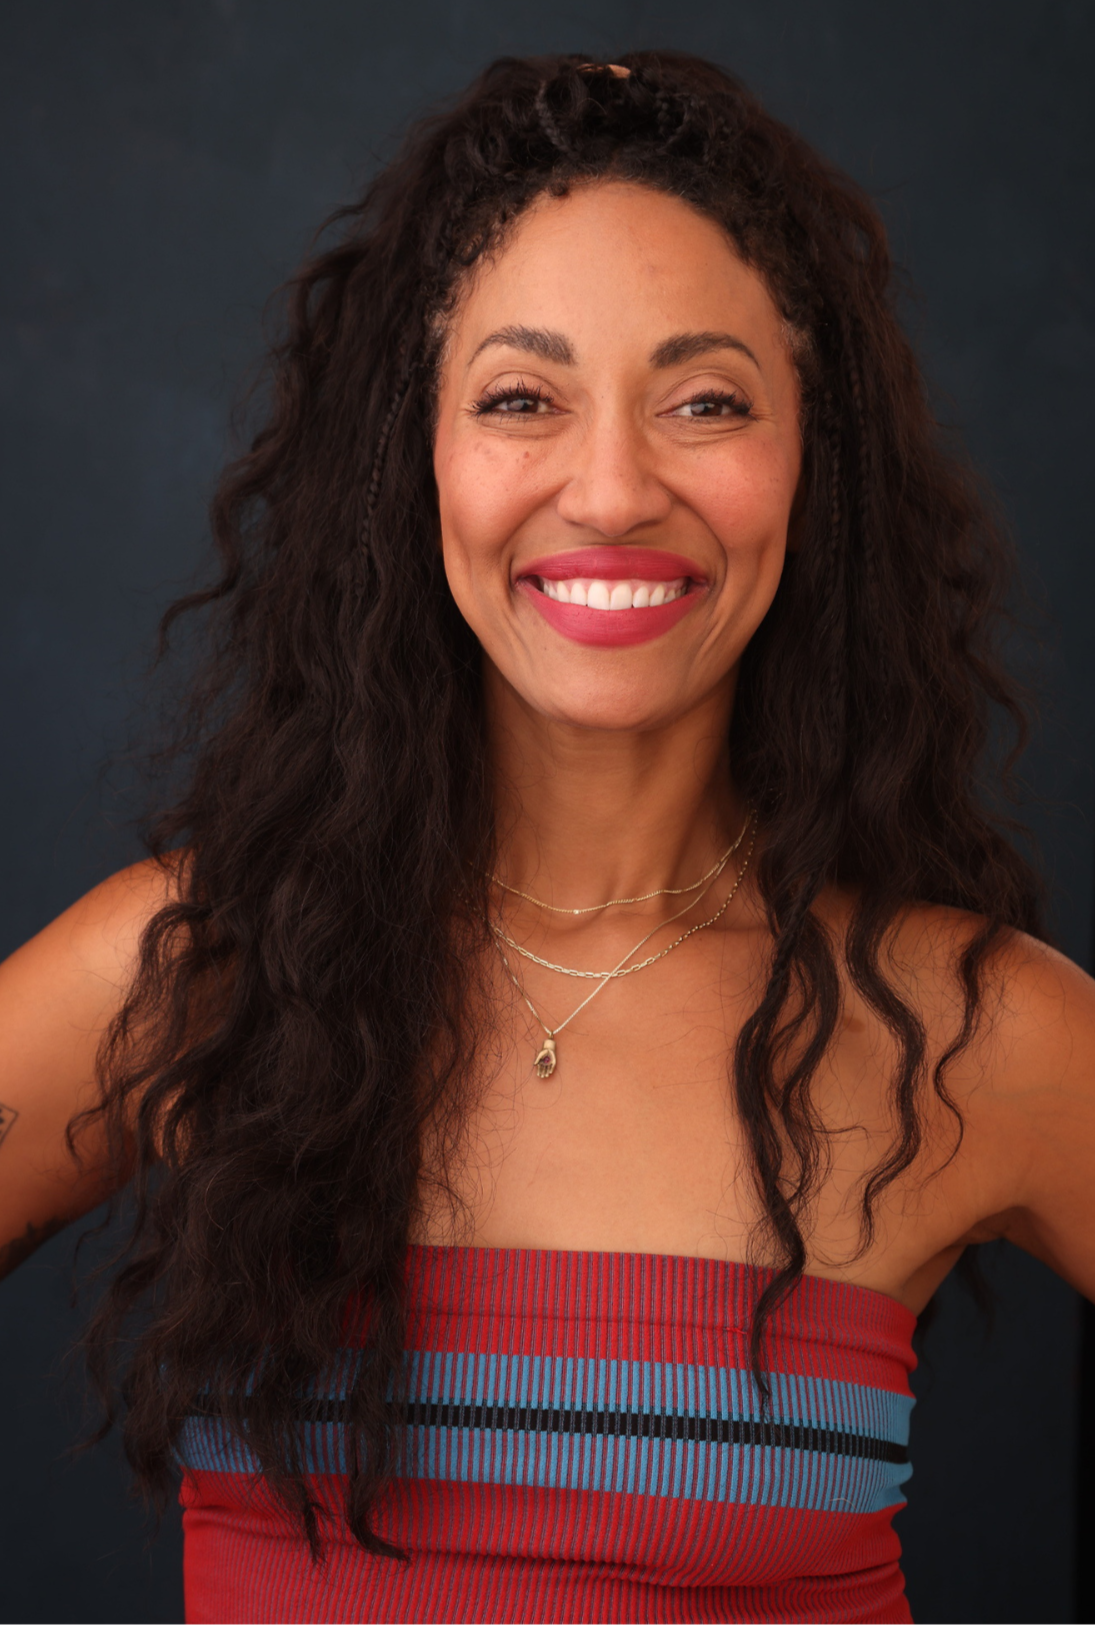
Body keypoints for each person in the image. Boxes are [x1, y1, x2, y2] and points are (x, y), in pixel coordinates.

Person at [1, 49, 1092, 1625]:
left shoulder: (969, 1033)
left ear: (810, 465)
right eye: (522, 398)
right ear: (417, 462)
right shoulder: (202, 974)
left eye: (704, 401)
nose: (610, 487)